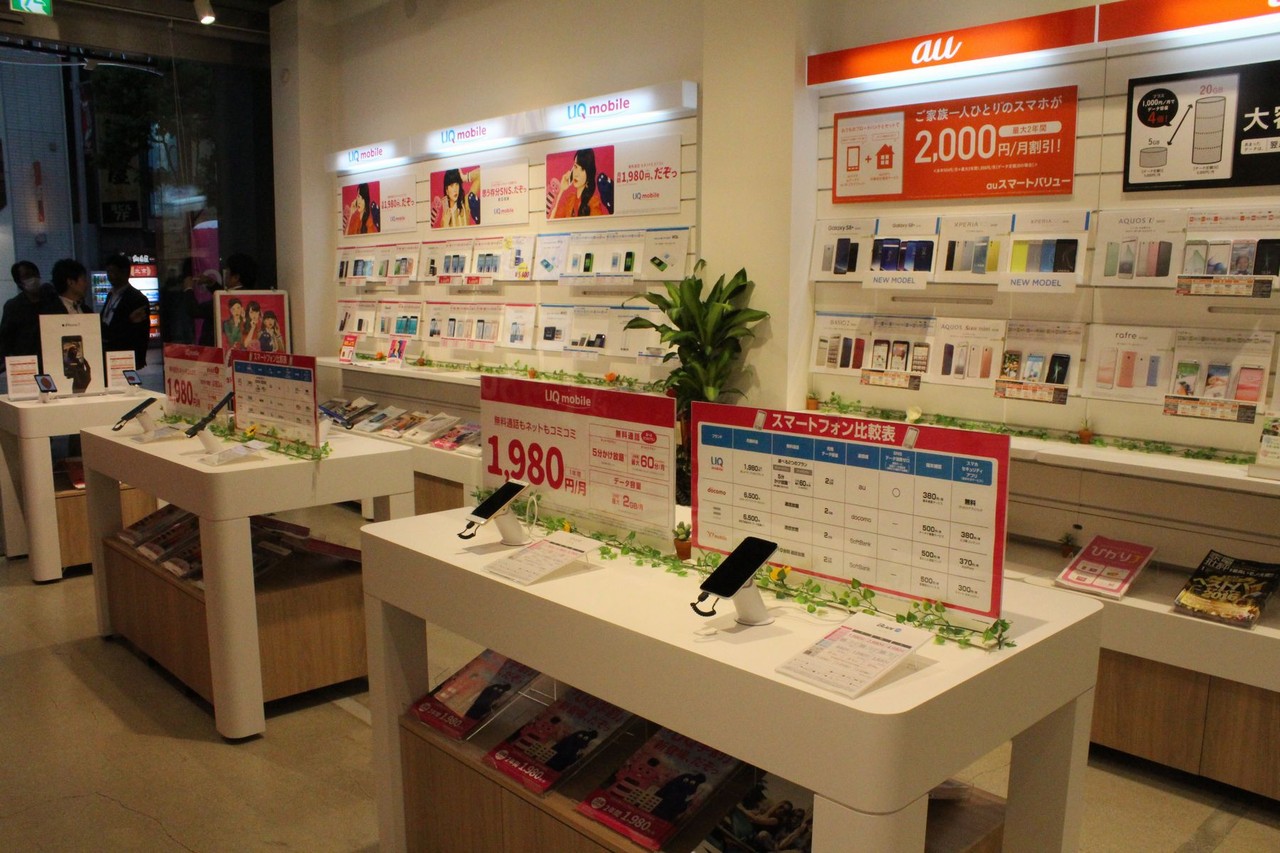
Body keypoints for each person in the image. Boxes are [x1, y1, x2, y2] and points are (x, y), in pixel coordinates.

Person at [183, 253, 263, 347]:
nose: (224, 274)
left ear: (236, 278)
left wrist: (188, 288)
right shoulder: (249, 296)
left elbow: (194, 310)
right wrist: (211, 283)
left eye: (227, 272)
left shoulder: (227, 301)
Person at [0, 261, 58, 365]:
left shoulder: (51, 300)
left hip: (51, 358)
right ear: (19, 282)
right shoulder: (13, 306)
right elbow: (5, 339)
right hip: (25, 361)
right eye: (27, 276)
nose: (33, 279)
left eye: (35, 274)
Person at [101, 254, 151, 368]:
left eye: (112, 271)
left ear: (123, 272)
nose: (109, 276)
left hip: (124, 355)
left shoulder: (137, 299)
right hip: (108, 352)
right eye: (107, 272)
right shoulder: (111, 295)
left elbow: (139, 333)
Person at [550, 148, 607, 218]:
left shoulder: (593, 203)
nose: (576, 174)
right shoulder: (570, 200)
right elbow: (552, 220)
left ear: (589, 173)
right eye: (576, 167)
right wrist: (561, 190)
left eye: (582, 169)